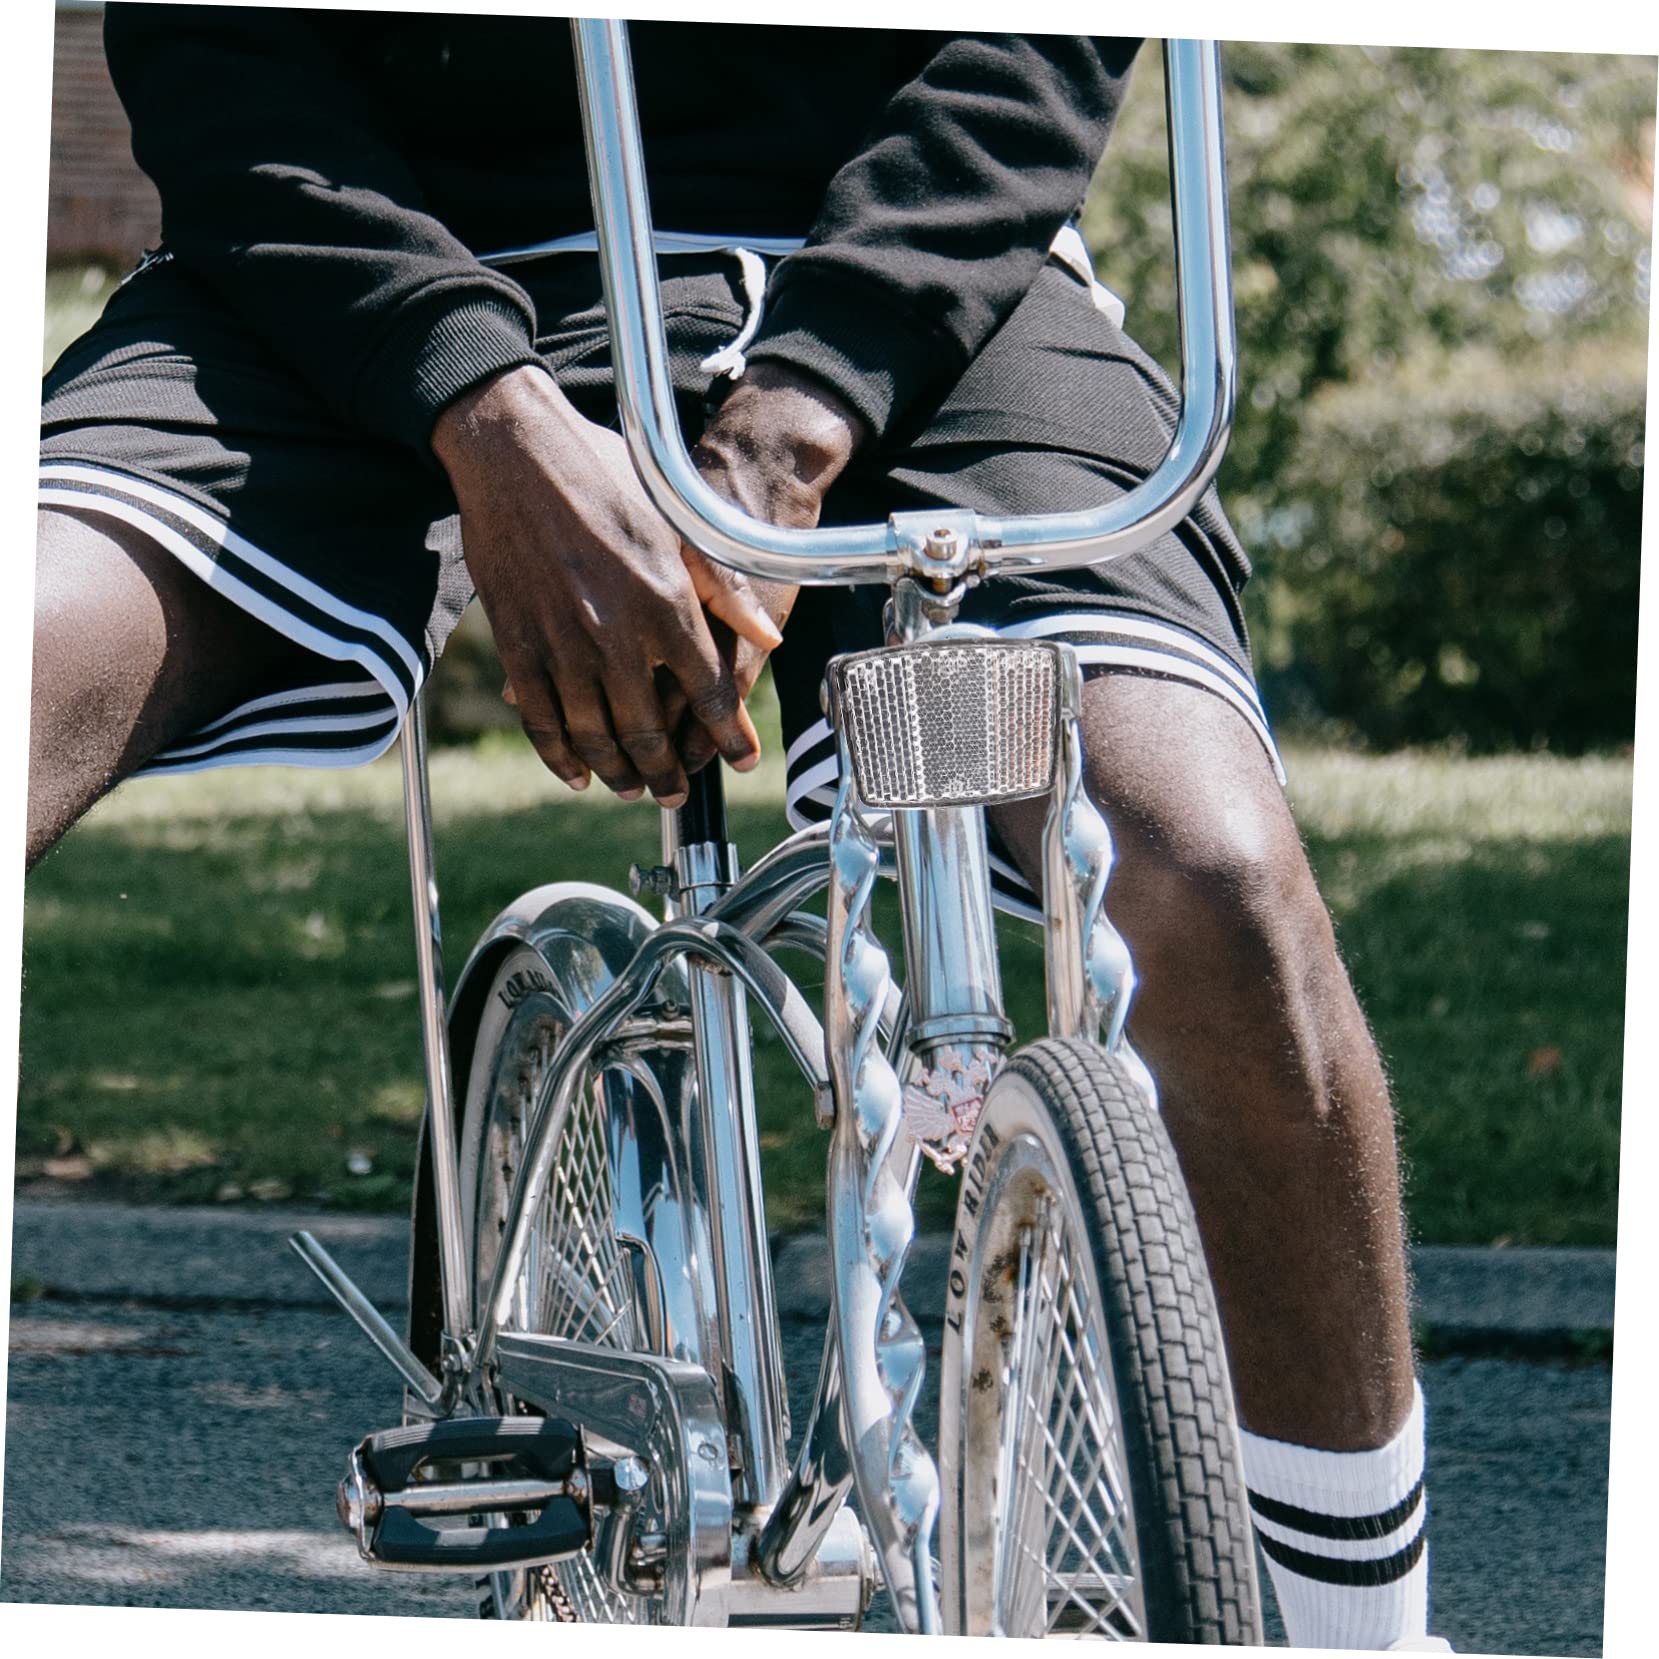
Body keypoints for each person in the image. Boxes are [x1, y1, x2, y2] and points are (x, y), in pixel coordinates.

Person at [33, 8, 1447, 1650]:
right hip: (363, 260)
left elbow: (1037, 56)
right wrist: (478, 407)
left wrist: (793, 429)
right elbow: (221, 60)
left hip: (909, 268)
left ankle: (1369, 1632)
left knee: (1205, 881)